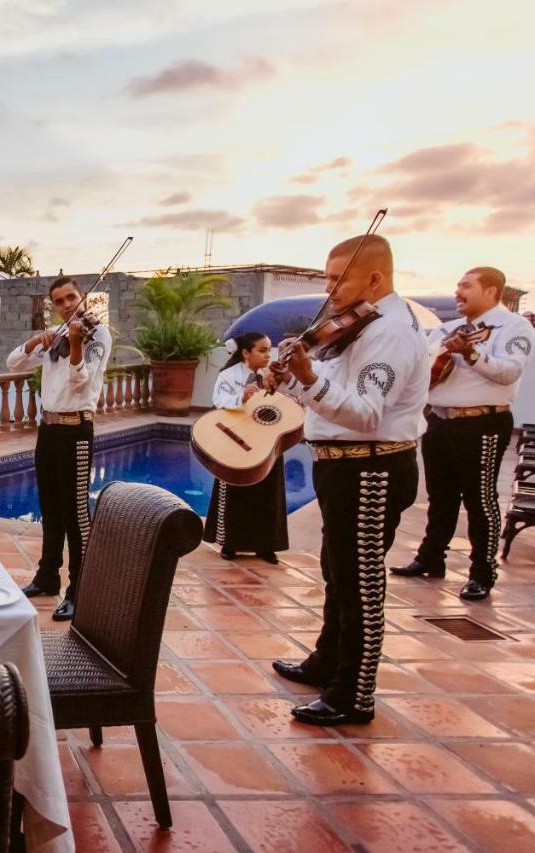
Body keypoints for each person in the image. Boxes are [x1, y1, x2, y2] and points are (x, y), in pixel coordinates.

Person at [265, 234, 428, 727]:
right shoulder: (360, 327)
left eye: (339, 279)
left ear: (375, 279)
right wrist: (293, 377)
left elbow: (364, 412)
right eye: (328, 278)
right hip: (342, 466)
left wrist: (308, 378)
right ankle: (326, 662)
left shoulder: (391, 332)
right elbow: (329, 393)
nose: (329, 290)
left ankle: (353, 694)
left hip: (371, 467)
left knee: (360, 583)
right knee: (337, 572)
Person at [393, 266, 533, 600]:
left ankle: (482, 573)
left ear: (491, 291)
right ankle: (431, 558)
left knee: (480, 500)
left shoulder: (514, 328)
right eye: (457, 285)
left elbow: (509, 372)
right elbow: (422, 369)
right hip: (440, 421)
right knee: (440, 497)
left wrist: (470, 353)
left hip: (482, 423)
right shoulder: (448, 328)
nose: (458, 292)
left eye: (466, 286)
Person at [6, 276, 112, 622]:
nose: (67, 305)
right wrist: (38, 338)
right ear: (54, 306)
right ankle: (47, 576)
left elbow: (81, 379)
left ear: (82, 298)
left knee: (77, 515)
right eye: (59, 301)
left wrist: (77, 344)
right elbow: (13, 363)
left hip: (76, 430)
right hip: (48, 430)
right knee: (50, 509)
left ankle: (79, 589)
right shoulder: (57, 335)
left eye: (71, 298)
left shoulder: (97, 335)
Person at [203, 332, 288, 563]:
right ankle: (230, 543)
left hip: (266, 440)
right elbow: (219, 401)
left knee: (266, 490)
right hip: (236, 441)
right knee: (235, 490)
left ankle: (265, 545)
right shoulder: (228, 376)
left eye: (269, 350)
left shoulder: (270, 376)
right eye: (261, 350)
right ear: (245, 353)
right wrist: (241, 397)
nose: (267, 355)